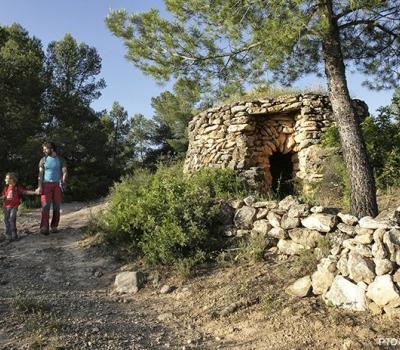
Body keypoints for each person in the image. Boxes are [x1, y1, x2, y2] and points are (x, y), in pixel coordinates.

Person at [35, 142, 67, 235]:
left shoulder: (61, 159)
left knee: (56, 207)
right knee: (45, 207)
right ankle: (44, 227)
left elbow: (64, 171)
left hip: (57, 185)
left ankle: (54, 226)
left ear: (51, 149)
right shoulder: (43, 160)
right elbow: (40, 175)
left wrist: (64, 180)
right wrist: (39, 187)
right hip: (46, 185)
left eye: (45, 148)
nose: (43, 150)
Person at [1, 172, 36, 241]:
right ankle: (8, 235)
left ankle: (14, 234)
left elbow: (25, 192)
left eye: (6, 178)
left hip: (14, 206)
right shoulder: (6, 188)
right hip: (6, 206)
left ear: (12, 179)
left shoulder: (16, 188)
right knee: (6, 220)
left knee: (12, 219)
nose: (5, 180)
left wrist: (34, 192)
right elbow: (4, 196)